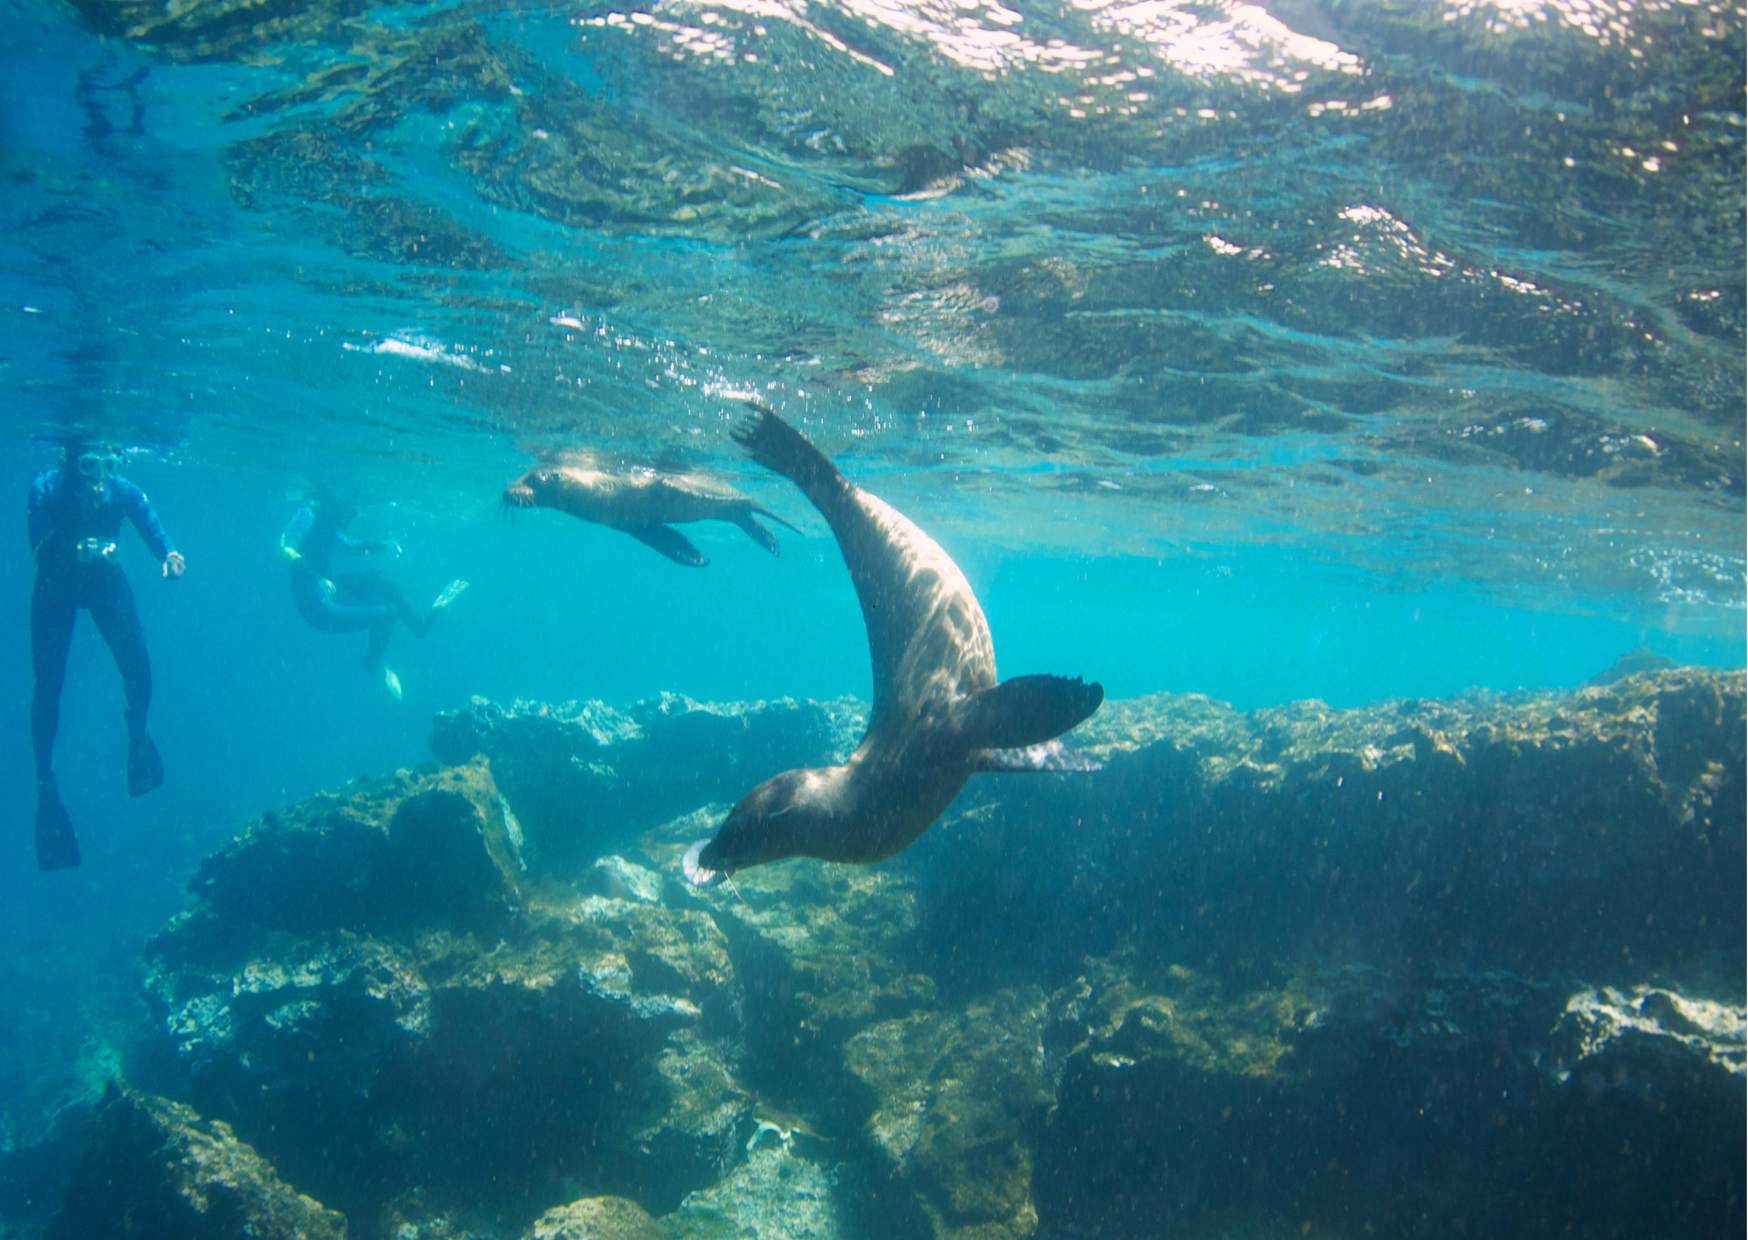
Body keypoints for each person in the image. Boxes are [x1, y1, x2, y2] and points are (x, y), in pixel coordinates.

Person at [29, 440, 186, 871]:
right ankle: (46, 783)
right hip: (55, 586)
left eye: (108, 465)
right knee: (49, 688)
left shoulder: (123, 489)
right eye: (89, 465)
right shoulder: (47, 487)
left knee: (140, 669)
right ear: (71, 464)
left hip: (103, 581)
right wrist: (79, 523)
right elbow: (40, 549)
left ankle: (138, 734)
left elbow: (150, 524)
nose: (99, 476)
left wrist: (169, 552)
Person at [280, 492, 466, 700]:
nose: (350, 519)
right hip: (316, 606)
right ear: (338, 504)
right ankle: (373, 662)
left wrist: (381, 545)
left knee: (383, 581)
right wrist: (317, 579)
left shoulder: (327, 518)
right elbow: (285, 548)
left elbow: (348, 547)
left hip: (329, 590)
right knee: (388, 613)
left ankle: (420, 626)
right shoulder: (308, 513)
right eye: (349, 513)